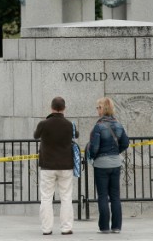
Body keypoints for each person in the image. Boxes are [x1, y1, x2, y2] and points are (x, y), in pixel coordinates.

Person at [33, 96, 78, 236]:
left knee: (46, 197)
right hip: (66, 165)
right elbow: (76, 135)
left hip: (48, 165)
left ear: (51, 108)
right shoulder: (69, 124)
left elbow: (35, 136)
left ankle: (46, 228)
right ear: (64, 109)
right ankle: (66, 227)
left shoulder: (43, 123)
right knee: (66, 197)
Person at [87, 97, 130, 234]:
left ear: (102, 109)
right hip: (115, 163)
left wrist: (93, 157)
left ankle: (104, 227)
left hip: (101, 165)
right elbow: (126, 143)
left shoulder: (98, 126)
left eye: (98, 107)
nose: (97, 110)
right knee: (115, 196)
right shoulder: (118, 124)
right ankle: (117, 227)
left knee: (103, 196)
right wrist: (116, 152)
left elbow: (94, 148)